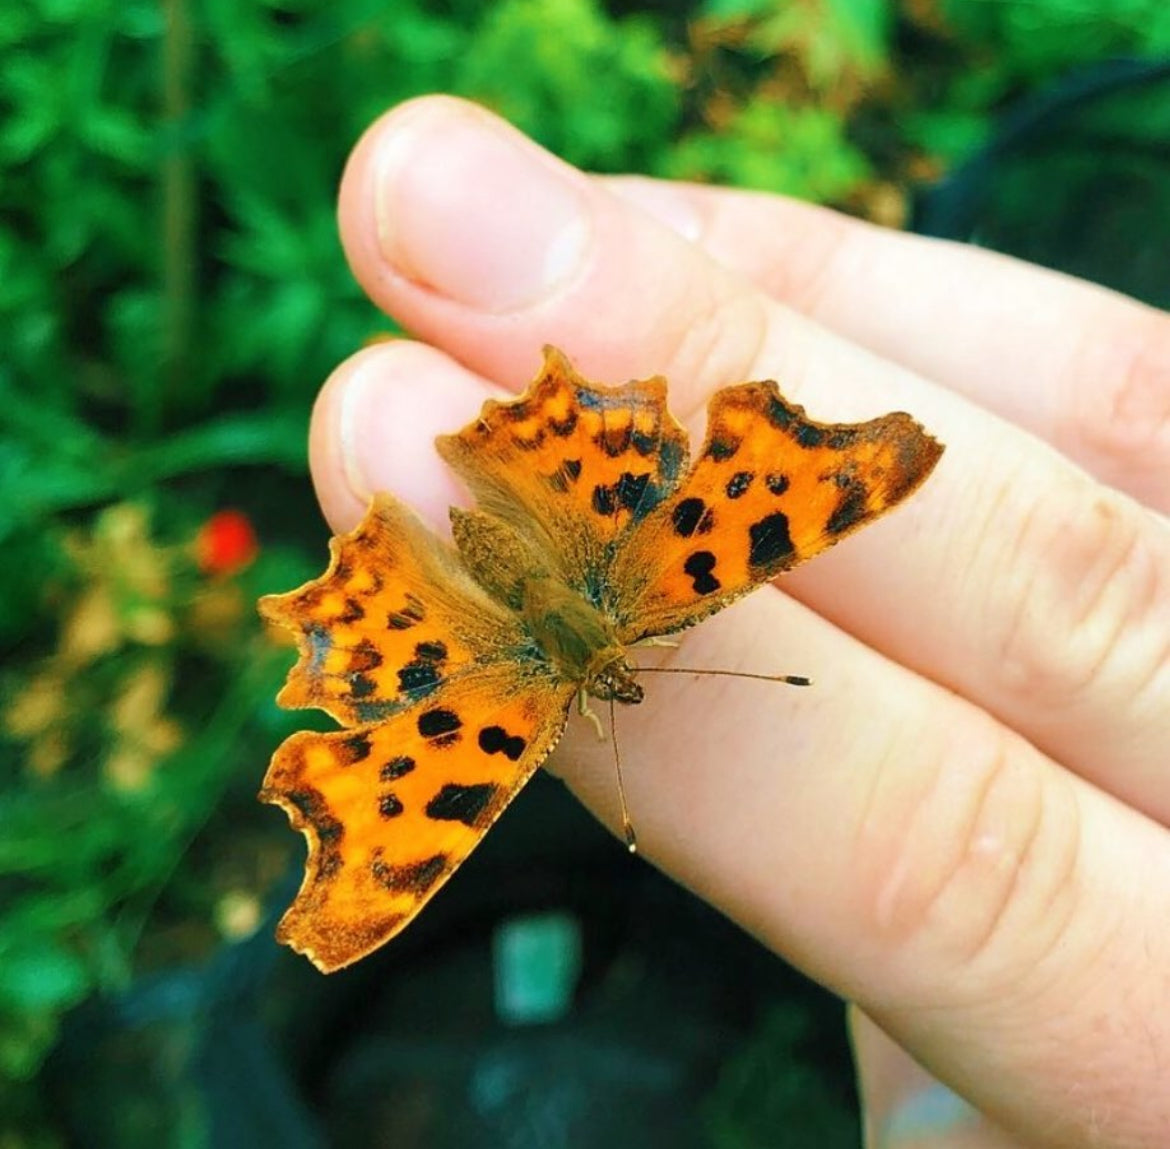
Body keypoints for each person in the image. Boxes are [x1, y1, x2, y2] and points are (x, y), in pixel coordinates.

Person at [309, 95, 1170, 1149]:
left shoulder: (558, 683)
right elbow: (767, 499)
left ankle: (417, 543)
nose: (617, 693)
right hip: (579, 510)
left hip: (508, 575)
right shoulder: (661, 597)